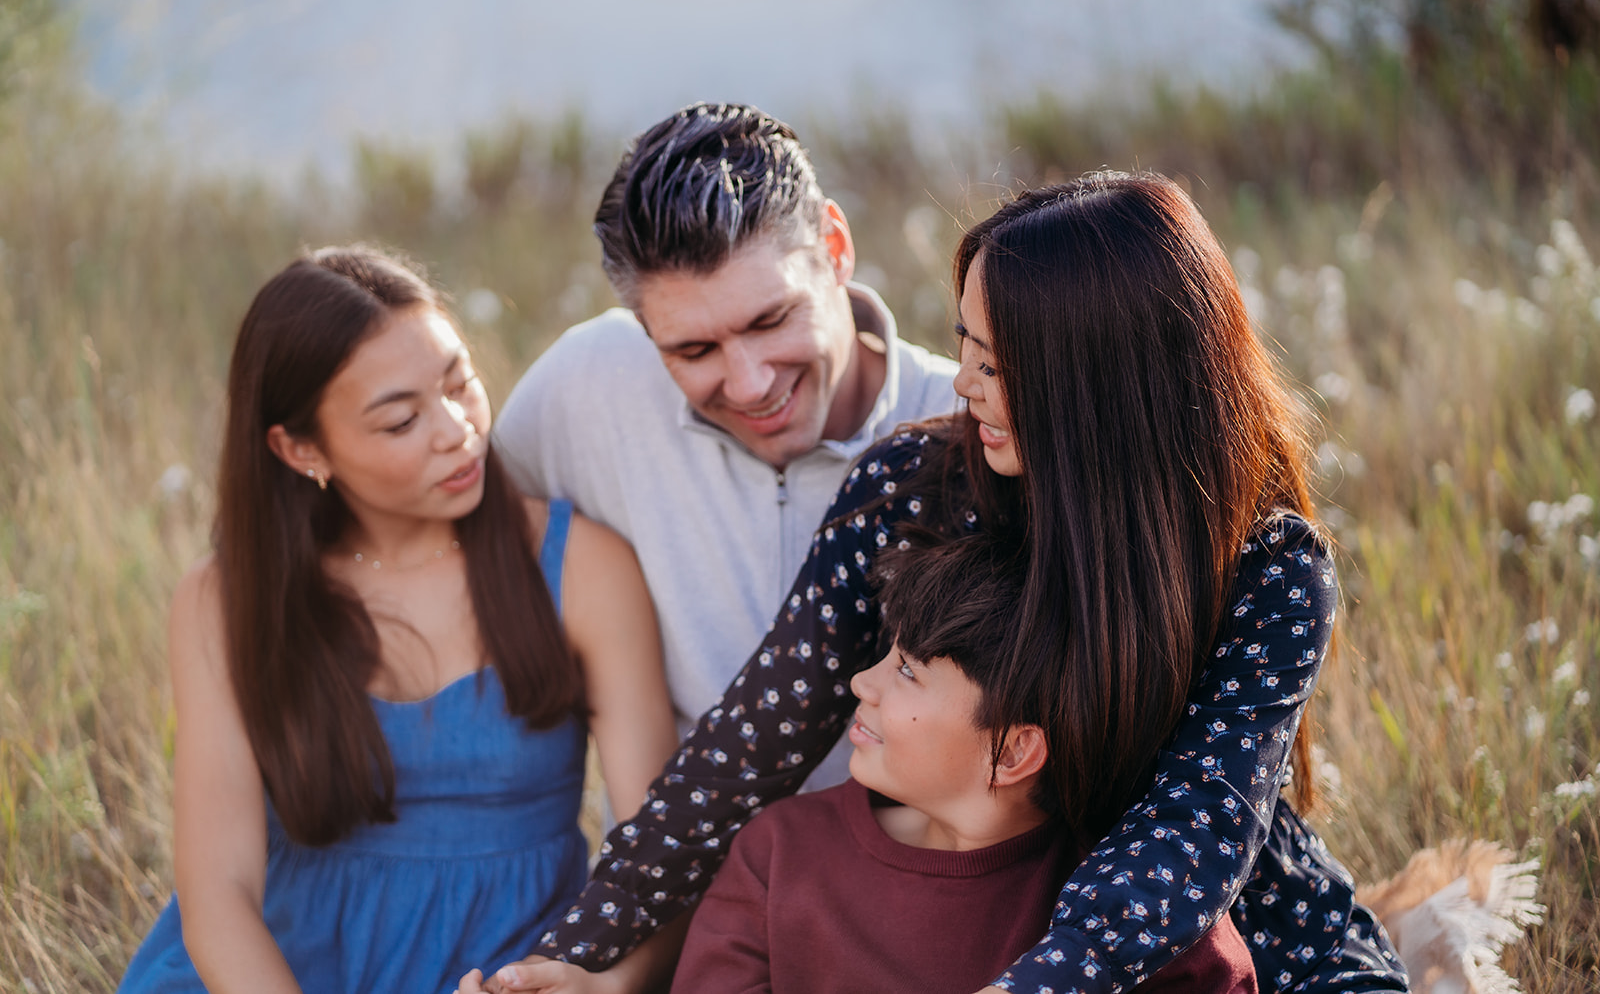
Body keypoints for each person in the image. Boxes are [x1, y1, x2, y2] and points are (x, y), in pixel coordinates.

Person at [489, 174, 1409, 993]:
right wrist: (578, 946)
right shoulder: (913, 490)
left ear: (1097, 384)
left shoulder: (1265, 563)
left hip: (1219, 935)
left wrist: (1037, 983)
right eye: (963, 345)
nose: (961, 385)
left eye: (998, 366)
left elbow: (1188, 837)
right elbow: (741, 752)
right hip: (979, 913)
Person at [118, 248, 679, 994]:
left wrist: (609, 984)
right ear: (301, 449)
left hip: (500, 975)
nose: (456, 430)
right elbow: (219, 891)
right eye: (401, 419)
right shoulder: (224, 600)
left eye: (461, 383)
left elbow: (662, 850)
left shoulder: (582, 566)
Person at [492, 103, 960, 791]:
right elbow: (442, 548)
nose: (750, 384)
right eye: (693, 349)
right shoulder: (588, 383)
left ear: (834, 247)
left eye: (770, 319)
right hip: (680, 880)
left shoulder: (969, 425)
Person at [672, 532, 1258, 994]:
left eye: (907, 671)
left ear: (1011, 751)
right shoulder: (778, 854)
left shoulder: (1130, 906)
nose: (860, 682)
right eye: (888, 654)